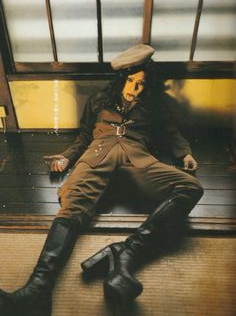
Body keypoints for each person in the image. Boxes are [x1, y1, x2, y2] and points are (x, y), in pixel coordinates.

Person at [0, 44, 203, 315]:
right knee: (72, 205)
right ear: (121, 79)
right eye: (130, 81)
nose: (134, 89)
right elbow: (84, 136)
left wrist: (185, 153)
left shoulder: (155, 106)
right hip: (96, 156)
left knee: (191, 187)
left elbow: (171, 132)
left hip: (137, 159)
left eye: (141, 84)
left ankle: (128, 250)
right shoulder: (98, 100)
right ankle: (38, 289)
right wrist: (66, 158)